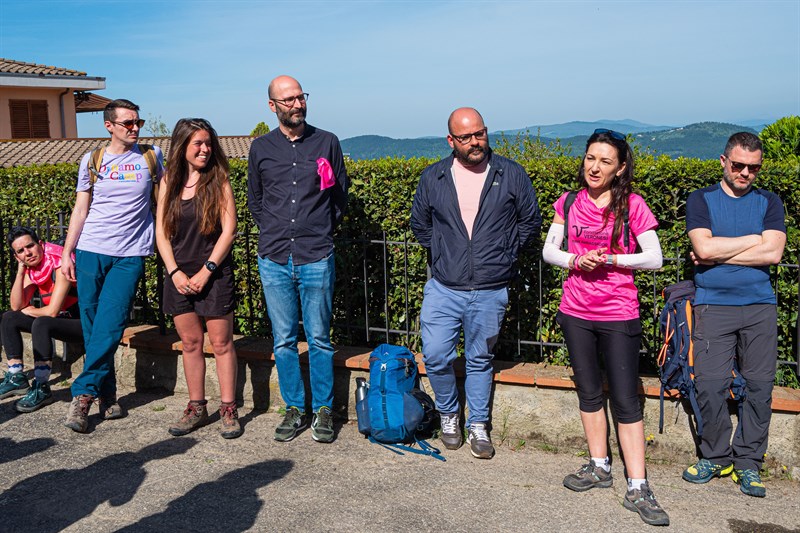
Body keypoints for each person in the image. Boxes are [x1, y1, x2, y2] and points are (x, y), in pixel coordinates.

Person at [542, 129, 668, 526]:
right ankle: (599, 466)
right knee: (589, 391)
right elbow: (549, 250)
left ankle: (638, 486)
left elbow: (654, 258)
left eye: (605, 161)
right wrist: (575, 261)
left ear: (621, 168)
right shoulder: (568, 201)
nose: (595, 167)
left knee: (626, 399)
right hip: (575, 310)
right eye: (590, 158)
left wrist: (612, 259)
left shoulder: (632, 205)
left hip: (618, 313)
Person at [410, 107, 542, 459]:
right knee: (436, 356)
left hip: (490, 288)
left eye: (479, 133)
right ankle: (448, 413)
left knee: (480, 359)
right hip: (444, 287)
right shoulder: (434, 177)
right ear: (450, 140)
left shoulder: (510, 173)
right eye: (465, 137)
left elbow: (530, 221)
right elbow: (420, 224)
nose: (475, 142)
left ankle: (478, 424)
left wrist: (505, 254)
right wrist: (443, 253)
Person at [682, 132, 786, 498]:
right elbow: (702, 248)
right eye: (738, 165)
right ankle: (715, 456)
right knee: (709, 384)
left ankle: (748, 463)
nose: (745, 173)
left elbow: (773, 254)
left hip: (759, 307)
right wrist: (754, 239)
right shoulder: (701, 199)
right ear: (724, 161)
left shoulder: (769, 202)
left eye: (753, 168)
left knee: (759, 387)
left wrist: (717, 252)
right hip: (713, 305)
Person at [247, 75, 348, 443]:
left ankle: (323, 409)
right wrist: (276, 231)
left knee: (320, 338)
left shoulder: (327, 142)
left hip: (316, 254)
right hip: (274, 258)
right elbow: (256, 200)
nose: (297, 104)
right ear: (272, 106)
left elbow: (339, 197)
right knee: (283, 340)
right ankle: (294, 407)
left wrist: (318, 229)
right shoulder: (260, 148)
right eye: (288, 99)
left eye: (300, 97)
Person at [60, 99, 164, 433]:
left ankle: (82, 395)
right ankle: (107, 394)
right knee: (93, 326)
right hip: (91, 249)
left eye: (138, 122)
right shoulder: (92, 159)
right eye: (127, 123)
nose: (135, 128)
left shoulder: (152, 156)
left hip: (130, 253)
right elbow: (81, 209)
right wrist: (67, 252)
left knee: (112, 321)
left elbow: (163, 203)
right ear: (109, 126)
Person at [156, 118, 240, 439]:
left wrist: (207, 270)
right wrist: (174, 272)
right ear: (182, 147)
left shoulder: (219, 180)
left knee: (221, 344)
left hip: (214, 275)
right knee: (191, 344)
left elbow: (229, 230)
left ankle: (228, 409)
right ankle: (196, 407)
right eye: (198, 143)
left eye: (208, 143)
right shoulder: (168, 181)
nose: (205, 149)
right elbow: (161, 233)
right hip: (179, 277)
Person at [0, 227, 82, 412]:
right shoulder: (34, 269)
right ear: (16, 256)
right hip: (60, 320)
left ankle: (42, 386)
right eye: (20, 251)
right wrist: (21, 271)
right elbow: (16, 306)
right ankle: (16, 377)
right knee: (9, 318)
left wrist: (31, 310)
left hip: (82, 323)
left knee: (42, 322)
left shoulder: (59, 262)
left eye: (30, 246)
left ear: (40, 244)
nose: (27, 253)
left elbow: (52, 311)